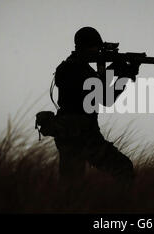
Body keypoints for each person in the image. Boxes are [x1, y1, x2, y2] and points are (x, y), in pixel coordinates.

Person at [52, 27, 139, 184]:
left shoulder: (68, 67)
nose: (98, 51)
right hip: (82, 132)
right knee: (123, 167)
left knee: (71, 184)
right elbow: (105, 98)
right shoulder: (77, 69)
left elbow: (100, 92)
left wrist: (117, 72)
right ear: (87, 47)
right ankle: (124, 205)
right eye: (96, 47)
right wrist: (122, 74)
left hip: (67, 132)